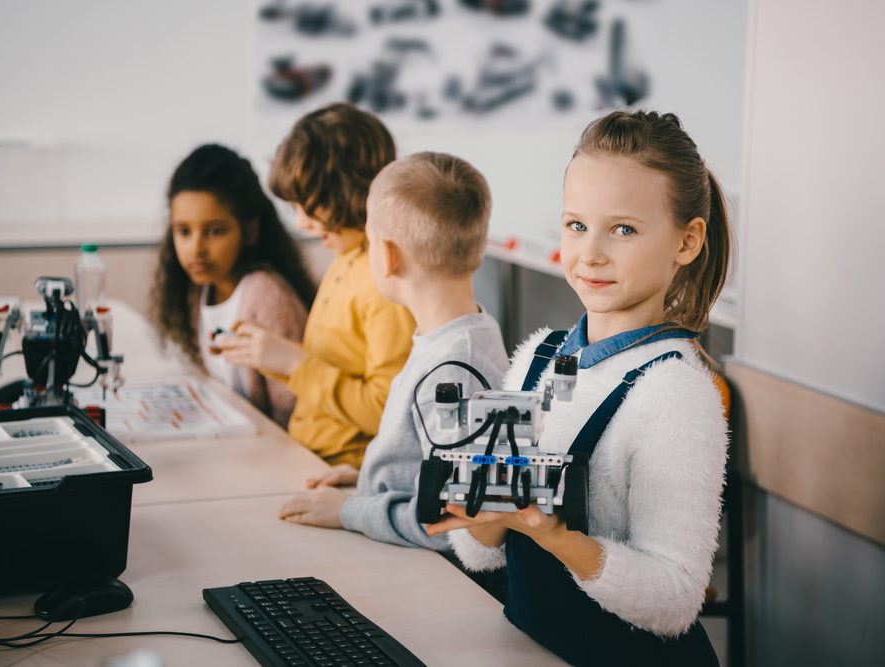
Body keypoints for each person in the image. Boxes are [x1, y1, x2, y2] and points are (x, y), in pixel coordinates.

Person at [427, 110, 731, 667]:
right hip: (532, 646)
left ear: (687, 242)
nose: (590, 253)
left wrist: (558, 537)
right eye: (575, 225)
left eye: (623, 230)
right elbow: (482, 556)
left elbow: (675, 601)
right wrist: (479, 511)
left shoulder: (676, 394)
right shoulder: (536, 359)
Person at [276, 152, 510, 549]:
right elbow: (433, 464)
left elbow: (452, 524)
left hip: (434, 575)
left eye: (368, 242)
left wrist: (351, 510)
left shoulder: (455, 368)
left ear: (386, 256)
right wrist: (370, 477)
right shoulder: (451, 338)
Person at [217, 103, 416, 468]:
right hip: (307, 454)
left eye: (310, 207)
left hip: (345, 469)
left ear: (350, 191)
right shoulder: (346, 260)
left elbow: (387, 413)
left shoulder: (384, 282)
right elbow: (333, 365)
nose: (302, 223)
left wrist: (294, 362)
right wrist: (270, 355)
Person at [150, 144, 316, 429]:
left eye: (215, 231)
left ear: (250, 230)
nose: (196, 249)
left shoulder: (266, 296)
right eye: (184, 231)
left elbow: (293, 413)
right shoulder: (198, 290)